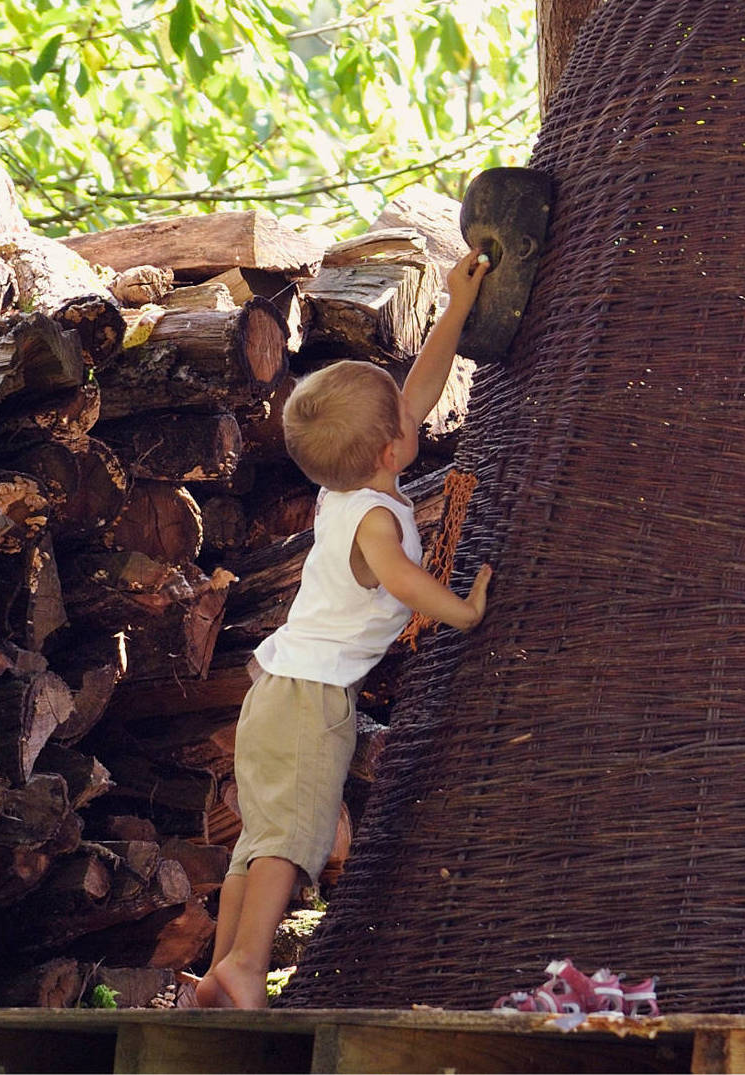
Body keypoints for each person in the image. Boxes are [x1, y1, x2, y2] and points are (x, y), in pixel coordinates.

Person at [194, 248, 494, 1009]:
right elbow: (398, 578)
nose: (410, 406)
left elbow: (415, 393)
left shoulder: (351, 486)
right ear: (392, 449)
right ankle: (246, 965)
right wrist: (460, 608)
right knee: (292, 841)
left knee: (257, 840)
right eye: (398, 415)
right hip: (310, 703)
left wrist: (454, 306)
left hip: (274, 691)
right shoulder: (375, 520)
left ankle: (218, 969)